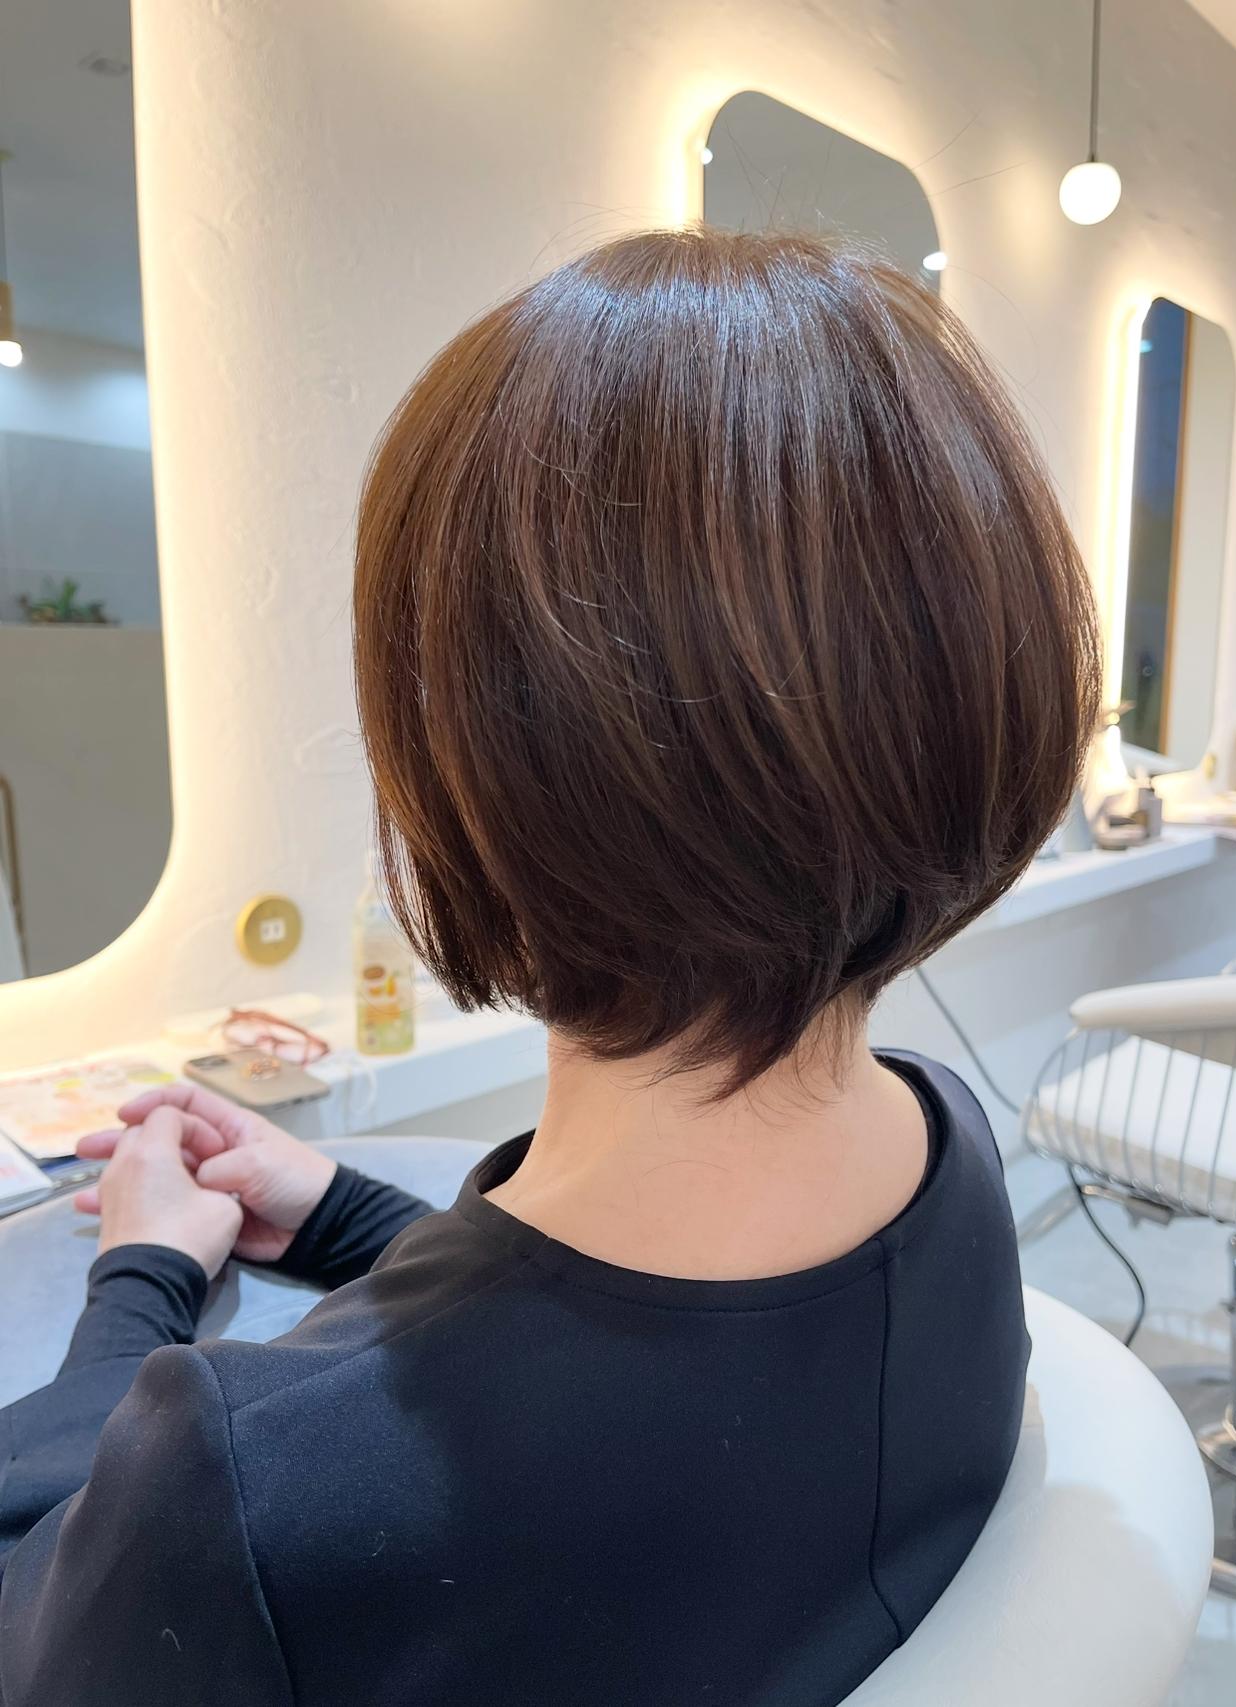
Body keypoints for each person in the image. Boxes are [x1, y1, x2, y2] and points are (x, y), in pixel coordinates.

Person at [0, 229, 1098, 1706]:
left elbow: (47, 1598)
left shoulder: (237, 1492)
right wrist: (335, 1212)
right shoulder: (944, 1161)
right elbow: (637, 1374)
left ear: (465, 759)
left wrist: (137, 1276)